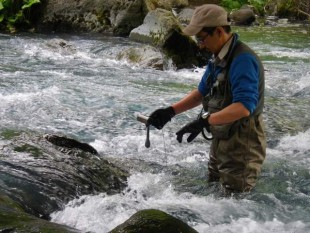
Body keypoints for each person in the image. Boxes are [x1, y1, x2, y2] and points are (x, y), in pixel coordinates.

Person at [146, 4, 266, 194]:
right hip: (221, 134)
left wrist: (205, 121)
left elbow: (244, 107)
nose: (200, 45)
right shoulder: (218, 57)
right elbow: (201, 92)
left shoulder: (243, 60)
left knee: (235, 197)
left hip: (242, 141)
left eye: (201, 38)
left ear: (219, 31)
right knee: (213, 186)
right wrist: (170, 111)